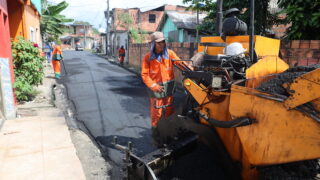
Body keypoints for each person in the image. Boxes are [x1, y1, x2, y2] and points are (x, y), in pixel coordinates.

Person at [141, 31, 190, 145]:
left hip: (168, 88)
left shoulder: (170, 54)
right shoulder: (147, 58)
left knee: (169, 111)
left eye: (163, 42)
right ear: (153, 44)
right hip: (156, 90)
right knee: (156, 114)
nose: (162, 44)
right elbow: (145, 75)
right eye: (159, 43)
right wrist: (154, 86)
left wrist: (189, 69)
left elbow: (180, 63)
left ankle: (169, 133)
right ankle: (156, 137)